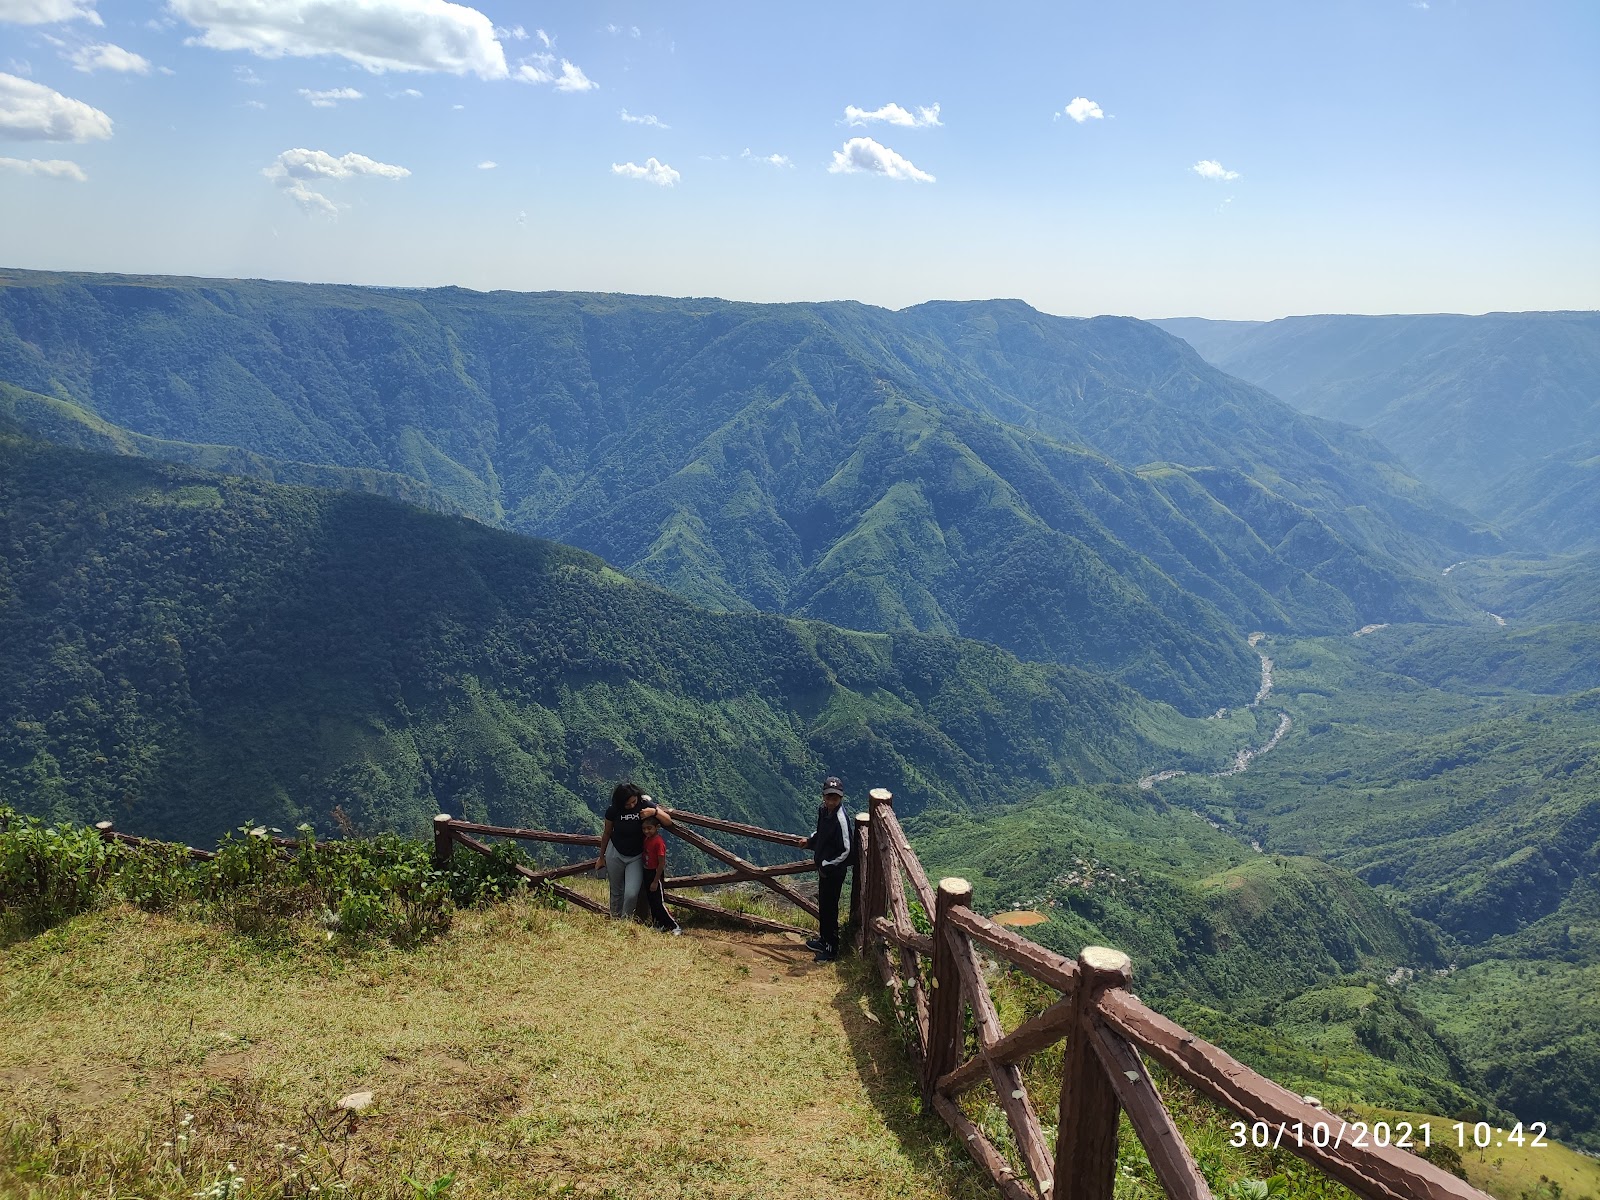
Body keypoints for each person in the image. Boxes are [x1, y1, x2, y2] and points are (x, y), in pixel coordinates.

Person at [595, 783, 672, 920]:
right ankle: (615, 920)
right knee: (616, 891)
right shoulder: (613, 810)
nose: (631, 806)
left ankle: (625, 922)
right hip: (615, 853)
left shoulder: (644, 804)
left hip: (636, 856)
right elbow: (607, 833)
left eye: (633, 802)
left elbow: (668, 821)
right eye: (627, 804)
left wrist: (654, 812)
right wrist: (602, 857)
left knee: (631, 893)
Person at [805, 776, 853, 962]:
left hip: (834, 872)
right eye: (828, 797)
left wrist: (826, 864)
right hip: (825, 870)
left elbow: (847, 851)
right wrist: (810, 841)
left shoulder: (841, 819)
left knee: (830, 909)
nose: (831, 801)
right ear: (823, 796)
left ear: (841, 798)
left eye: (835, 798)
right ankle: (823, 940)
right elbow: (821, 832)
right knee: (824, 907)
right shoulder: (824, 811)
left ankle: (831, 949)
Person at [640, 814, 682, 935]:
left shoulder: (658, 842)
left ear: (657, 827)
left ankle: (674, 925)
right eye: (644, 829)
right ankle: (659, 924)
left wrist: (655, 880)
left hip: (655, 874)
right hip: (647, 871)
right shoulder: (647, 839)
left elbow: (661, 863)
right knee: (652, 901)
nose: (647, 831)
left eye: (649, 828)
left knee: (659, 902)